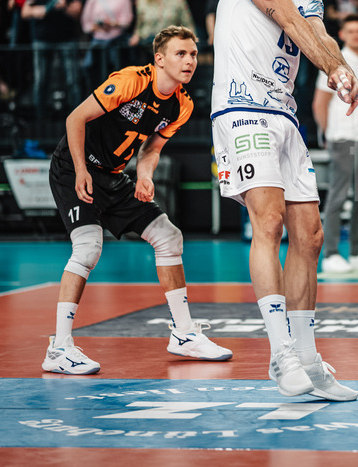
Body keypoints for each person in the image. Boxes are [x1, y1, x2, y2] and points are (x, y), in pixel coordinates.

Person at [210, 0, 358, 400]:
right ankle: (280, 356)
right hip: (241, 111)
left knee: (311, 235)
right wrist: (332, 69)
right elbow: (286, 18)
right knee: (270, 222)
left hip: (285, 116)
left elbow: (320, 35)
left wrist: (342, 69)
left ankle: (308, 358)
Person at [42, 25, 232, 374]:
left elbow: (152, 148)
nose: (189, 61)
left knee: (169, 236)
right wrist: (81, 170)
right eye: (180, 54)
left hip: (114, 177)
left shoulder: (181, 105)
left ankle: (184, 335)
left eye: (192, 54)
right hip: (74, 167)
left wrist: (144, 176)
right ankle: (59, 348)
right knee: (87, 248)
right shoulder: (131, 81)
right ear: (159, 59)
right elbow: (75, 118)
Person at [313, 15, 358, 273]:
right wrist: (329, 134)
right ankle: (331, 254)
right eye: (350, 30)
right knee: (338, 197)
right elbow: (320, 103)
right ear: (341, 34)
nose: (355, 34)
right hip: (343, 137)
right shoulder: (334, 61)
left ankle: (357, 250)